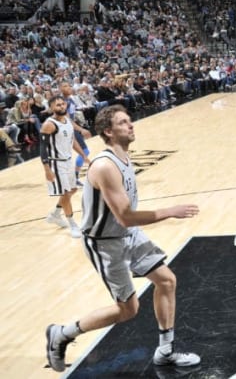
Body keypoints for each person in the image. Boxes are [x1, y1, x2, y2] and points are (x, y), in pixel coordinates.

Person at [45, 105, 201, 372]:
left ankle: (165, 351)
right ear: (108, 131)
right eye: (123, 122)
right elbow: (126, 217)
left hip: (127, 234)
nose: (131, 125)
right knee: (128, 310)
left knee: (166, 280)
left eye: (130, 121)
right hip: (104, 242)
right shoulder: (105, 166)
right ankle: (62, 333)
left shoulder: (124, 158)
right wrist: (170, 211)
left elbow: (126, 222)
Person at [40, 96, 89, 238]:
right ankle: (72, 224)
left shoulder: (67, 119)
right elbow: (42, 149)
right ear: (51, 108)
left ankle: (55, 214)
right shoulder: (49, 125)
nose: (61, 107)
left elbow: (72, 141)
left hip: (68, 161)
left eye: (62, 104)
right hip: (56, 163)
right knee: (66, 193)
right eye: (57, 105)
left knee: (73, 189)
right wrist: (47, 169)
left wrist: (84, 156)